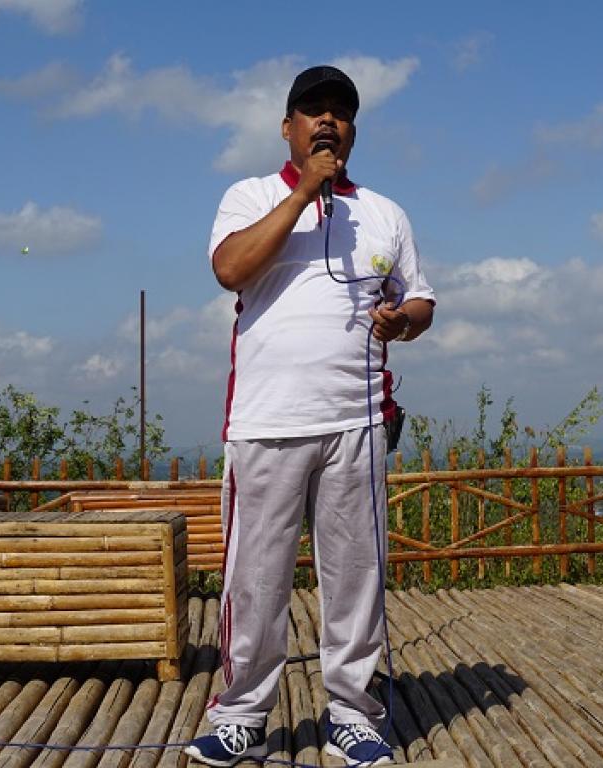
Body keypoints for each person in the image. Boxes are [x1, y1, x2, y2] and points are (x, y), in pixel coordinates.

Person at [186, 65, 436, 768]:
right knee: (254, 578)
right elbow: (231, 269)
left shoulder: (385, 213)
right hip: (264, 422)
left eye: (341, 112)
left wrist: (404, 323)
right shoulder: (250, 195)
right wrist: (304, 192)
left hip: (356, 420)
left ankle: (354, 714)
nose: (328, 121)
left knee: (355, 576)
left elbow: (421, 299)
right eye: (313, 110)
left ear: (353, 130)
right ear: (288, 128)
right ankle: (240, 715)